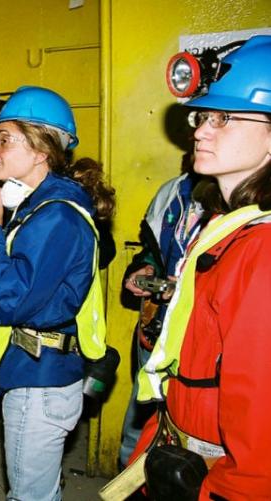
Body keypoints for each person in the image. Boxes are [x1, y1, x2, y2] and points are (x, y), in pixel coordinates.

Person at [132, 35, 271, 499]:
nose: (200, 131)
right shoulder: (228, 224)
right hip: (180, 450)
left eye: (225, 118)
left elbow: (259, 434)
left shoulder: (263, 250)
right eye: (203, 116)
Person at [0, 85, 115, 501]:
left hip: (41, 383)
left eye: (5, 139)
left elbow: (11, 299)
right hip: (36, 371)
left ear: (40, 150)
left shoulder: (55, 217)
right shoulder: (43, 208)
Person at [118, 171, 204, 467]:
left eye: (220, 121)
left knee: (195, 444)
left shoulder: (254, 200)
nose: (200, 132)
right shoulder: (174, 193)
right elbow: (154, 251)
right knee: (139, 426)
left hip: (205, 343)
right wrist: (145, 268)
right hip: (159, 329)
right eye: (199, 121)